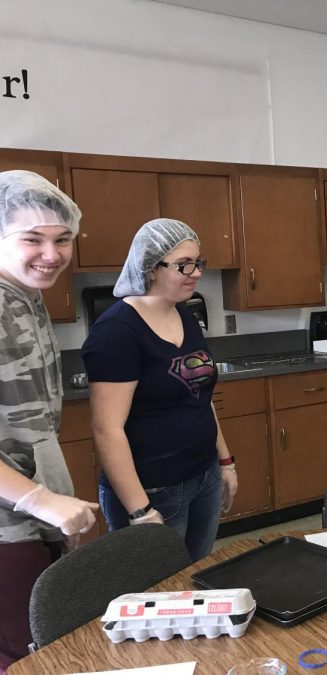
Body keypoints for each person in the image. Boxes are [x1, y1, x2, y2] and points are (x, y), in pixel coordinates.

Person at [82, 219, 237, 562]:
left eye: (199, 263)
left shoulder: (185, 317)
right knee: (157, 590)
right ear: (151, 268)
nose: (196, 272)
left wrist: (225, 462)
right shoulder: (117, 332)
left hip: (203, 474)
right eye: (184, 264)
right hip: (154, 488)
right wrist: (141, 511)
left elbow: (199, 398)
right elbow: (107, 430)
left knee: (196, 573)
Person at [0, 170, 98, 674]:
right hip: (4, 527)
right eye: (32, 239)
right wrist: (39, 500)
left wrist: (54, 502)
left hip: (29, 514)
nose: (51, 253)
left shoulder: (27, 296)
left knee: (47, 644)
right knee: (23, 657)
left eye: (62, 239)